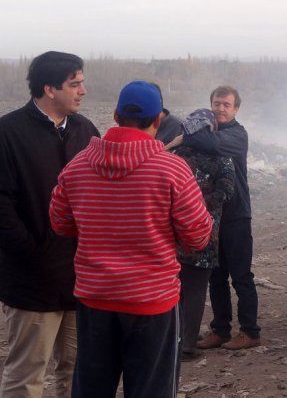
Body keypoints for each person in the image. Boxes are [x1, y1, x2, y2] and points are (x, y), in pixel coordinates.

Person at [48, 81, 213, 398]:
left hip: (95, 300)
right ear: (158, 121)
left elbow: (59, 222)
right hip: (152, 303)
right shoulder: (172, 170)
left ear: (115, 115)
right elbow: (198, 237)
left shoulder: (77, 167)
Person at [0, 51, 99, 398]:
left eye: (82, 82)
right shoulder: (8, 133)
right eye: (75, 84)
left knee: (79, 371)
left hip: (81, 279)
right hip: (31, 282)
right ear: (49, 89)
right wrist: (35, 253)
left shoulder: (86, 131)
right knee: (27, 376)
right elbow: (2, 208)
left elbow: (101, 195)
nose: (83, 90)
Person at [176, 86, 262, 351]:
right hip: (212, 218)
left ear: (236, 109)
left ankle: (250, 331)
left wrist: (188, 134)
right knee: (215, 275)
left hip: (236, 215)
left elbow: (208, 144)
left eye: (226, 105)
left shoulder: (237, 135)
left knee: (241, 276)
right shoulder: (207, 131)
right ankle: (220, 329)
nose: (220, 109)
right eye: (216, 104)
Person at [170, 109, 236, 361]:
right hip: (206, 231)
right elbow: (226, 193)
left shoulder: (176, 157)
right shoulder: (223, 158)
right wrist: (204, 205)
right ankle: (187, 344)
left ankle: (172, 339)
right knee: (196, 288)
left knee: (175, 288)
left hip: (175, 233)